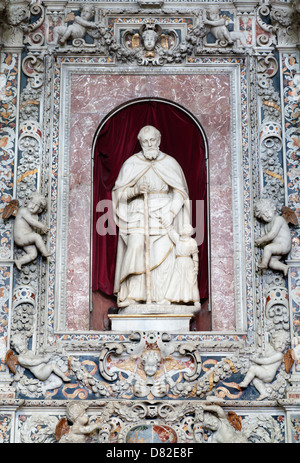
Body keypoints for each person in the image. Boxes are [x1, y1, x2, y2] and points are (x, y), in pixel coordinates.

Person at [112, 125, 191, 308]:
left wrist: (171, 212)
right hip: (139, 212)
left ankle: (163, 297)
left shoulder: (170, 163)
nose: (149, 144)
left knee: (164, 253)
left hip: (164, 213)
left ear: (159, 140)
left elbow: (180, 192)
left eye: (152, 140)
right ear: (140, 143)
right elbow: (118, 195)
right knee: (136, 246)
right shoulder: (131, 164)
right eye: (145, 141)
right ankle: (132, 295)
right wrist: (135, 190)